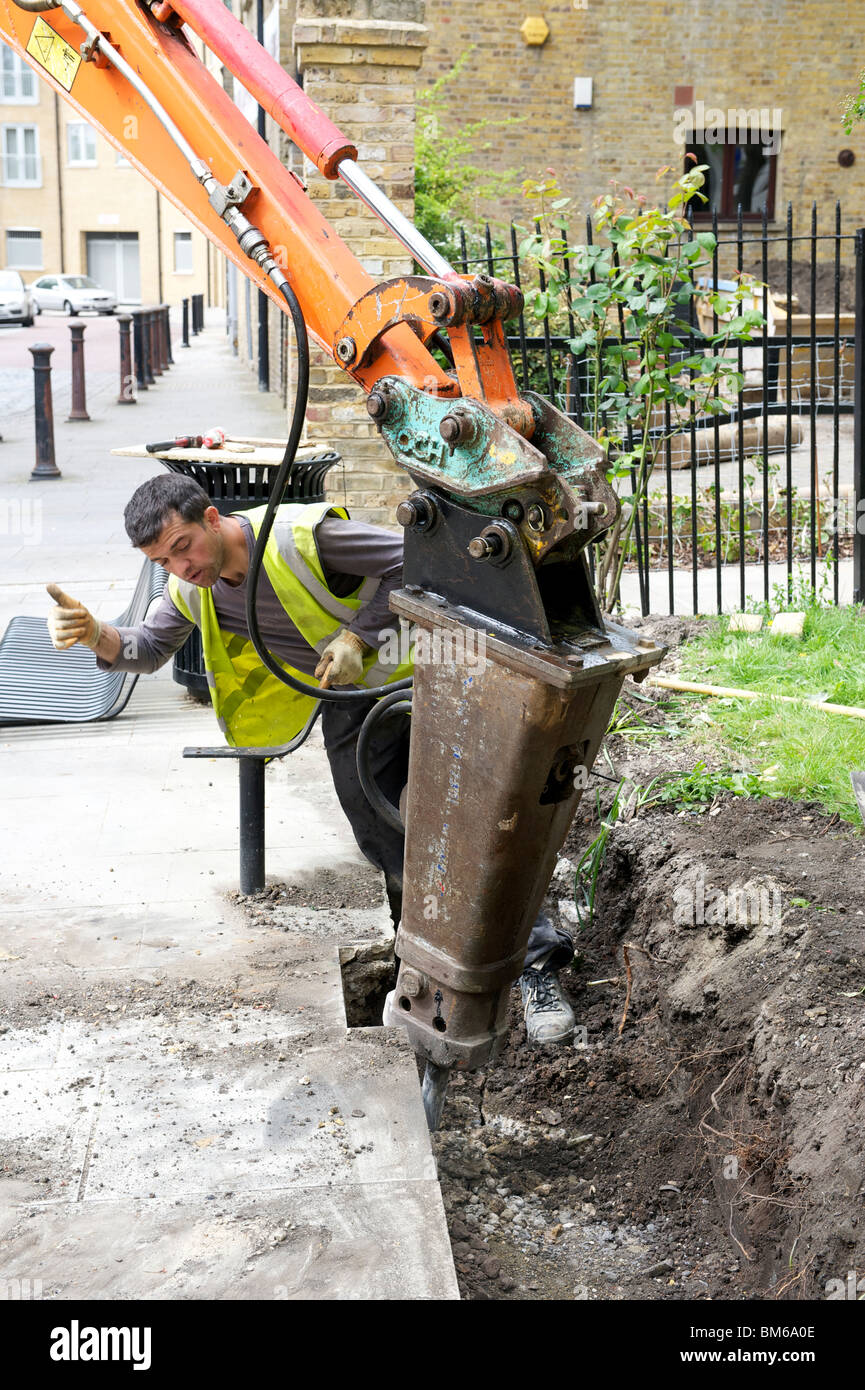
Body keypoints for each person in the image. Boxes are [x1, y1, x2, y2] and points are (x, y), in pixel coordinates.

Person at [46, 474, 576, 1044]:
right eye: (163, 560)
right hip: (350, 705)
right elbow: (147, 649)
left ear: (212, 519)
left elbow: (419, 561)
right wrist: (97, 633)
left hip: (429, 680)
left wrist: (360, 637)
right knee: (381, 833)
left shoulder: (303, 539)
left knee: (467, 821)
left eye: (183, 546)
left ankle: (538, 966)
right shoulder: (189, 591)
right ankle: (429, 961)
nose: (181, 566)